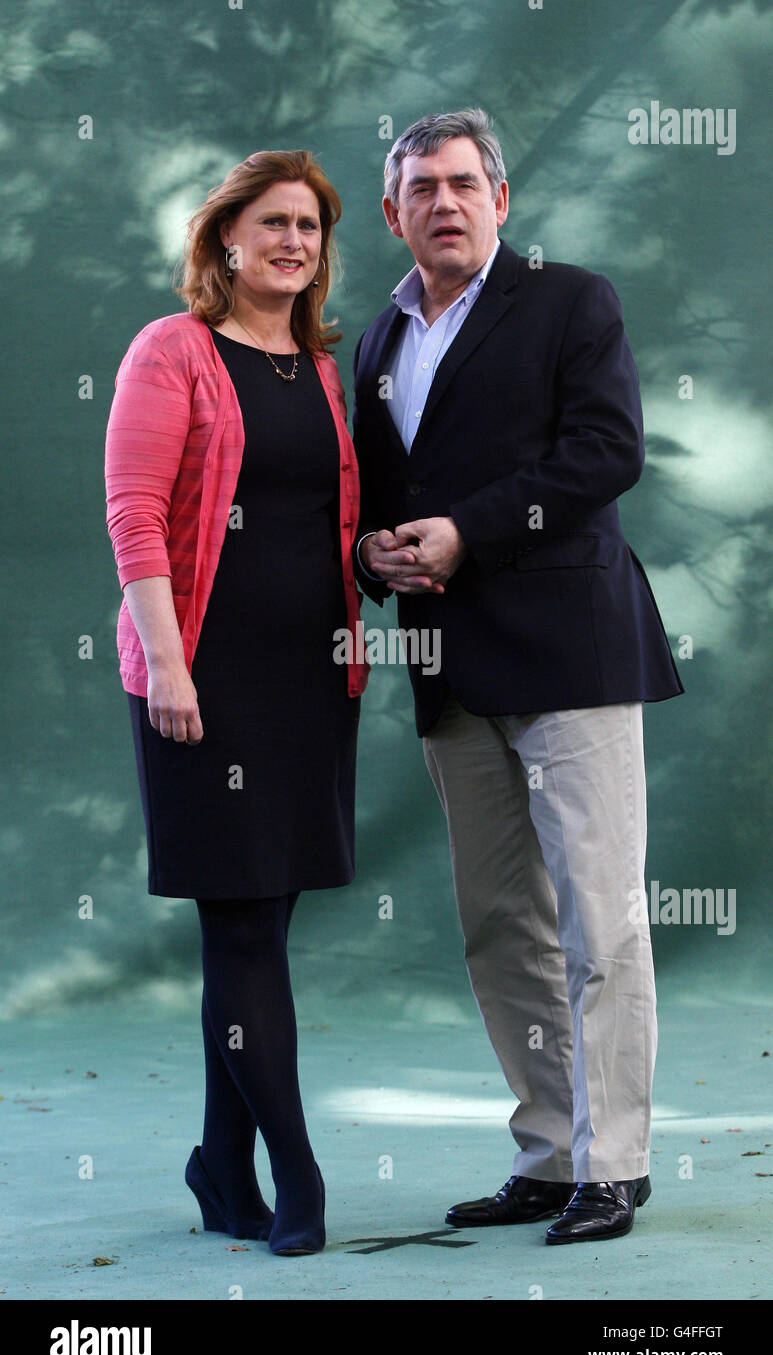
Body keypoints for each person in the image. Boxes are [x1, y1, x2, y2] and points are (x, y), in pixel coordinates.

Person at [352, 108, 684, 1244]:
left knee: (599, 917)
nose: (442, 203)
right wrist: (372, 550)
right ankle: (548, 1154)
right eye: (419, 189)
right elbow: (378, 493)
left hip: (571, 651)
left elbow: (604, 451)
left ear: (501, 199)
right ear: (392, 212)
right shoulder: (376, 339)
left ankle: (615, 1164)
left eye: (461, 183)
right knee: (501, 923)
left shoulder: (568, 299)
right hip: (449, 668)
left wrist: (463, 533)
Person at [104, 149, 368, 1257]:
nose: (292, 243)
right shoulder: (171, 349)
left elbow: (332, 514)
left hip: (312, 679)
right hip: (203, 687)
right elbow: (134, 513)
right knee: (243, 926)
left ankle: (220, 1166)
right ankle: (295, 1174)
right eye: (271, 224)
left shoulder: (314, 363)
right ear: (224, 238)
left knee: (264, 920)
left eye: (307, 226)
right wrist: (169, 667)